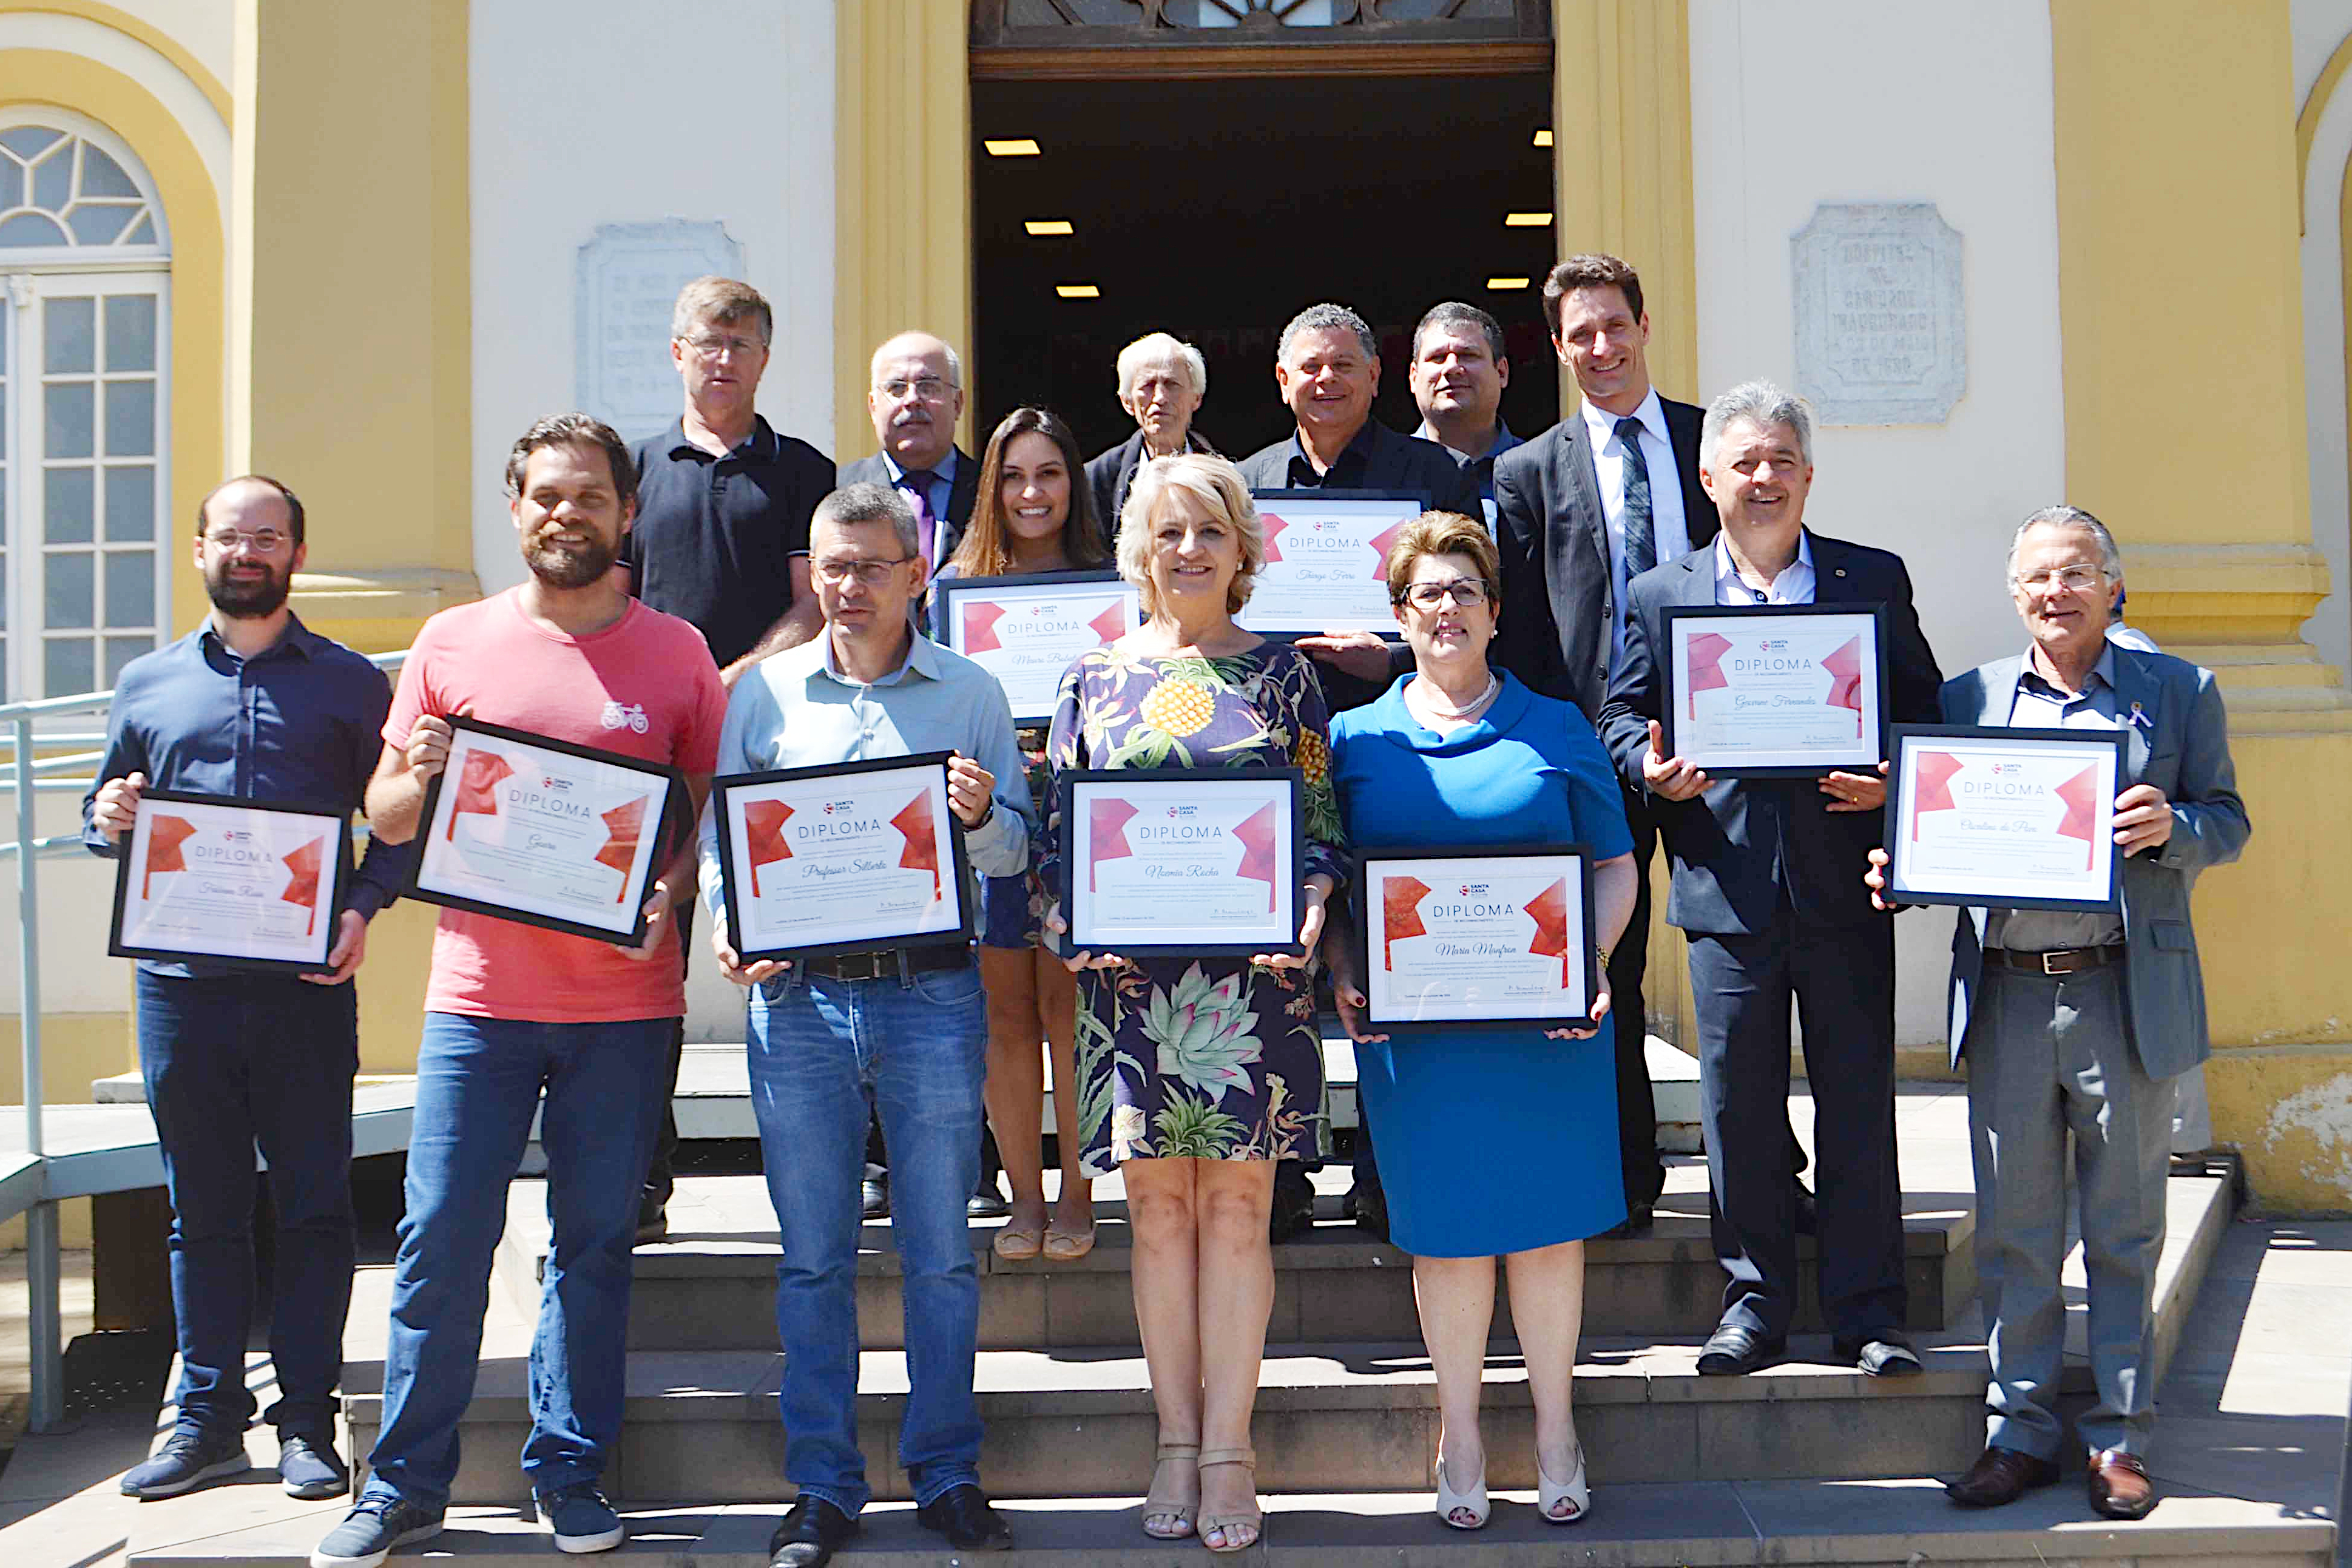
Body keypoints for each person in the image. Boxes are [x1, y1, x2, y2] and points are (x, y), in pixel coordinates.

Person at [312, 415, 726, 1568]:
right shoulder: (451, 641)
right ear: (516, 508)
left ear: (627, 513)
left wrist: (672, 890)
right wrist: (420, 771)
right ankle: (403, 1485)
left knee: (593, 1245)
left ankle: (570, 1468)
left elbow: (707, 809)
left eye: (589, 495)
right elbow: (386, 813)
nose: (566, 513)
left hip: (625, 1005)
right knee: (441, 1238)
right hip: (479, 1000)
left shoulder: (678, 653)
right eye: (546, 494)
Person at [1868, 506, 2249, 1521]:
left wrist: (2174, 825)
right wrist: (1903, 872)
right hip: (2007, 991)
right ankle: (2020, 1430)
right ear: (2015, 592)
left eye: (2076, 573)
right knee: (2014, 1231)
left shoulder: (2179, 691)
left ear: (2112, 586)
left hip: (2123, 989)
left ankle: (2120, 1436)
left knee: (2125, 1229)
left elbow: (2228, 819)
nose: (2056, 592)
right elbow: (1940, 827)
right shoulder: (1970, 696)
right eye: (2038, 577)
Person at [701, 482, 1030, 1567]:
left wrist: (978, 818)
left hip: (931, 996)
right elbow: (726, 839)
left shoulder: (970, 692)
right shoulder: (766, 695)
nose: (848, 587)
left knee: (939, 1254)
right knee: (812, 1259)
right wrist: (730, 922)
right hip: (798, 1003)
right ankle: (823, 1484)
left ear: (915, 574)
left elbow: (1018, 850)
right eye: (832, 567)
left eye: (870, 567)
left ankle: (947, 1470)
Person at [1598, 381, 1942, 1380]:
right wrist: (1648, 767)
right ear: (1708, 477)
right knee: (1737, 1109)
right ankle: (1753, 1305)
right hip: (1725, 886)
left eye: (1781, 461)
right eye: (1744, 462)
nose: (1763, 479)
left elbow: (1922, 713)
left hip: (1844, 887)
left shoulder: (1870, 577)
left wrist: (1893, 778)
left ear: (1808, 476)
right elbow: (1619, 713)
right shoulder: (1661, 593)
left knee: (1857, 1103)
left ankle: (1868, 1312)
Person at [1039, 453, 1345, 1553]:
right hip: (1130, 987)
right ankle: (1173, 1439)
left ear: (1242, 547)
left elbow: (1320, 822)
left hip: (1252, 987)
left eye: (1210, 530)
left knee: (1238, 1212)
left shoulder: (1285, 676)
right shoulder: (1090, 679)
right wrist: (1061, 915)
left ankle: (1229, 1450)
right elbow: (1058, 832)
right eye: (1168, 531)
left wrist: (1313, 898)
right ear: (1137, 549)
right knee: (1159, 1212)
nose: (1188, 550)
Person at [91, 476, 409, 1505]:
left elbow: (398, 824)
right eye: (230, 536)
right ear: (199, 550)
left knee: (315, 1208)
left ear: (297, 555)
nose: (248, 551)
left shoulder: (353, 685)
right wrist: (109, 815)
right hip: (180, 990)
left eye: (267, 536)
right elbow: (110, 814)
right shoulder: (146, 683)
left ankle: (308, 1420)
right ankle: (207, 1420)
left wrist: (361, 907)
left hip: (304, 989)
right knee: (203, 1209)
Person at [1324, 513, 1638, 1530]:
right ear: (1400, 615)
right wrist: (1343, 968)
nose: (1448, 608)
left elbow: (1614, 864)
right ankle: (1458, 1434)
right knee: (1449, 1237)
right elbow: (1331, 877)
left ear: (1496, 613)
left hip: (1544, 1032)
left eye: (1466, 590)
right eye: (1428, 592)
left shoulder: (1558, 726)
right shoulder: (1355, 740)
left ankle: (1556, 1429)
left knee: (1546, 1234)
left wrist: (1589, 963)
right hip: (1420, 1039)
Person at [1487, 254, 1720, 1238]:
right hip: (1593, 750)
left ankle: (1765, 1177)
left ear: (1644, 326)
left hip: (1723, 740)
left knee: (1742, 962)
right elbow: (1524, 630)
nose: (1601, 346)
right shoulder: (1527, 471)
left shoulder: (1715, 443)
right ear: (1558, 347)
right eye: (1579, 333)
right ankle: (1625, 1178)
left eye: (1614, 325)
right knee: (1605, 964)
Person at [620, 275, 836, 1243]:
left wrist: (730, 680)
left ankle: (830, 1176)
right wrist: (674, 689)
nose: (723, 358)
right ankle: (640, 1181)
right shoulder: (634, 467)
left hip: (772, 743)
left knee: (799, 955)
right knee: (648, 959)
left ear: (764, 359)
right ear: (678, 352)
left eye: (742, 343)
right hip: (653, 755)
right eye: (708, 341)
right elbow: (612, 603)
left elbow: (815, 601)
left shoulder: (802, 470)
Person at [932, 407, 1109, 1261]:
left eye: (1049, 473)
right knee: (1004, 1016)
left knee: (1068, 1010)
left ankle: (1077, 1192)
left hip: (1085, 815)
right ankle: (1025, 1197)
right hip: (991, 811)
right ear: (991, 489)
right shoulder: (952, 588)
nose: (1031, 493)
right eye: (1012, 476)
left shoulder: (1115, 581)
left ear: (1074, 482)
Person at [839, 331, 979, 576]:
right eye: (896, 388)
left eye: (928, 387)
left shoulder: (993, 491)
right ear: (873, 407)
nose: (912, 400)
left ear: (957, 404)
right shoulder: (835, 489)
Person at [1086, 331, 1218, 527]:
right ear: (1127, 402)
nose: (1160, 398)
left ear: (1197, 398)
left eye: (1172, 384)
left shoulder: (1224, 474)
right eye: (1148, 386)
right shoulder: (1097, 479)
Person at [1406, 302, 1522, 518]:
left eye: (1468, 355)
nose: (1451, 367)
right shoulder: (1381, 474)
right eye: (1437, 358)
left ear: (1501, 372)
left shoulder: (1543, 473)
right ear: (1414, 377)